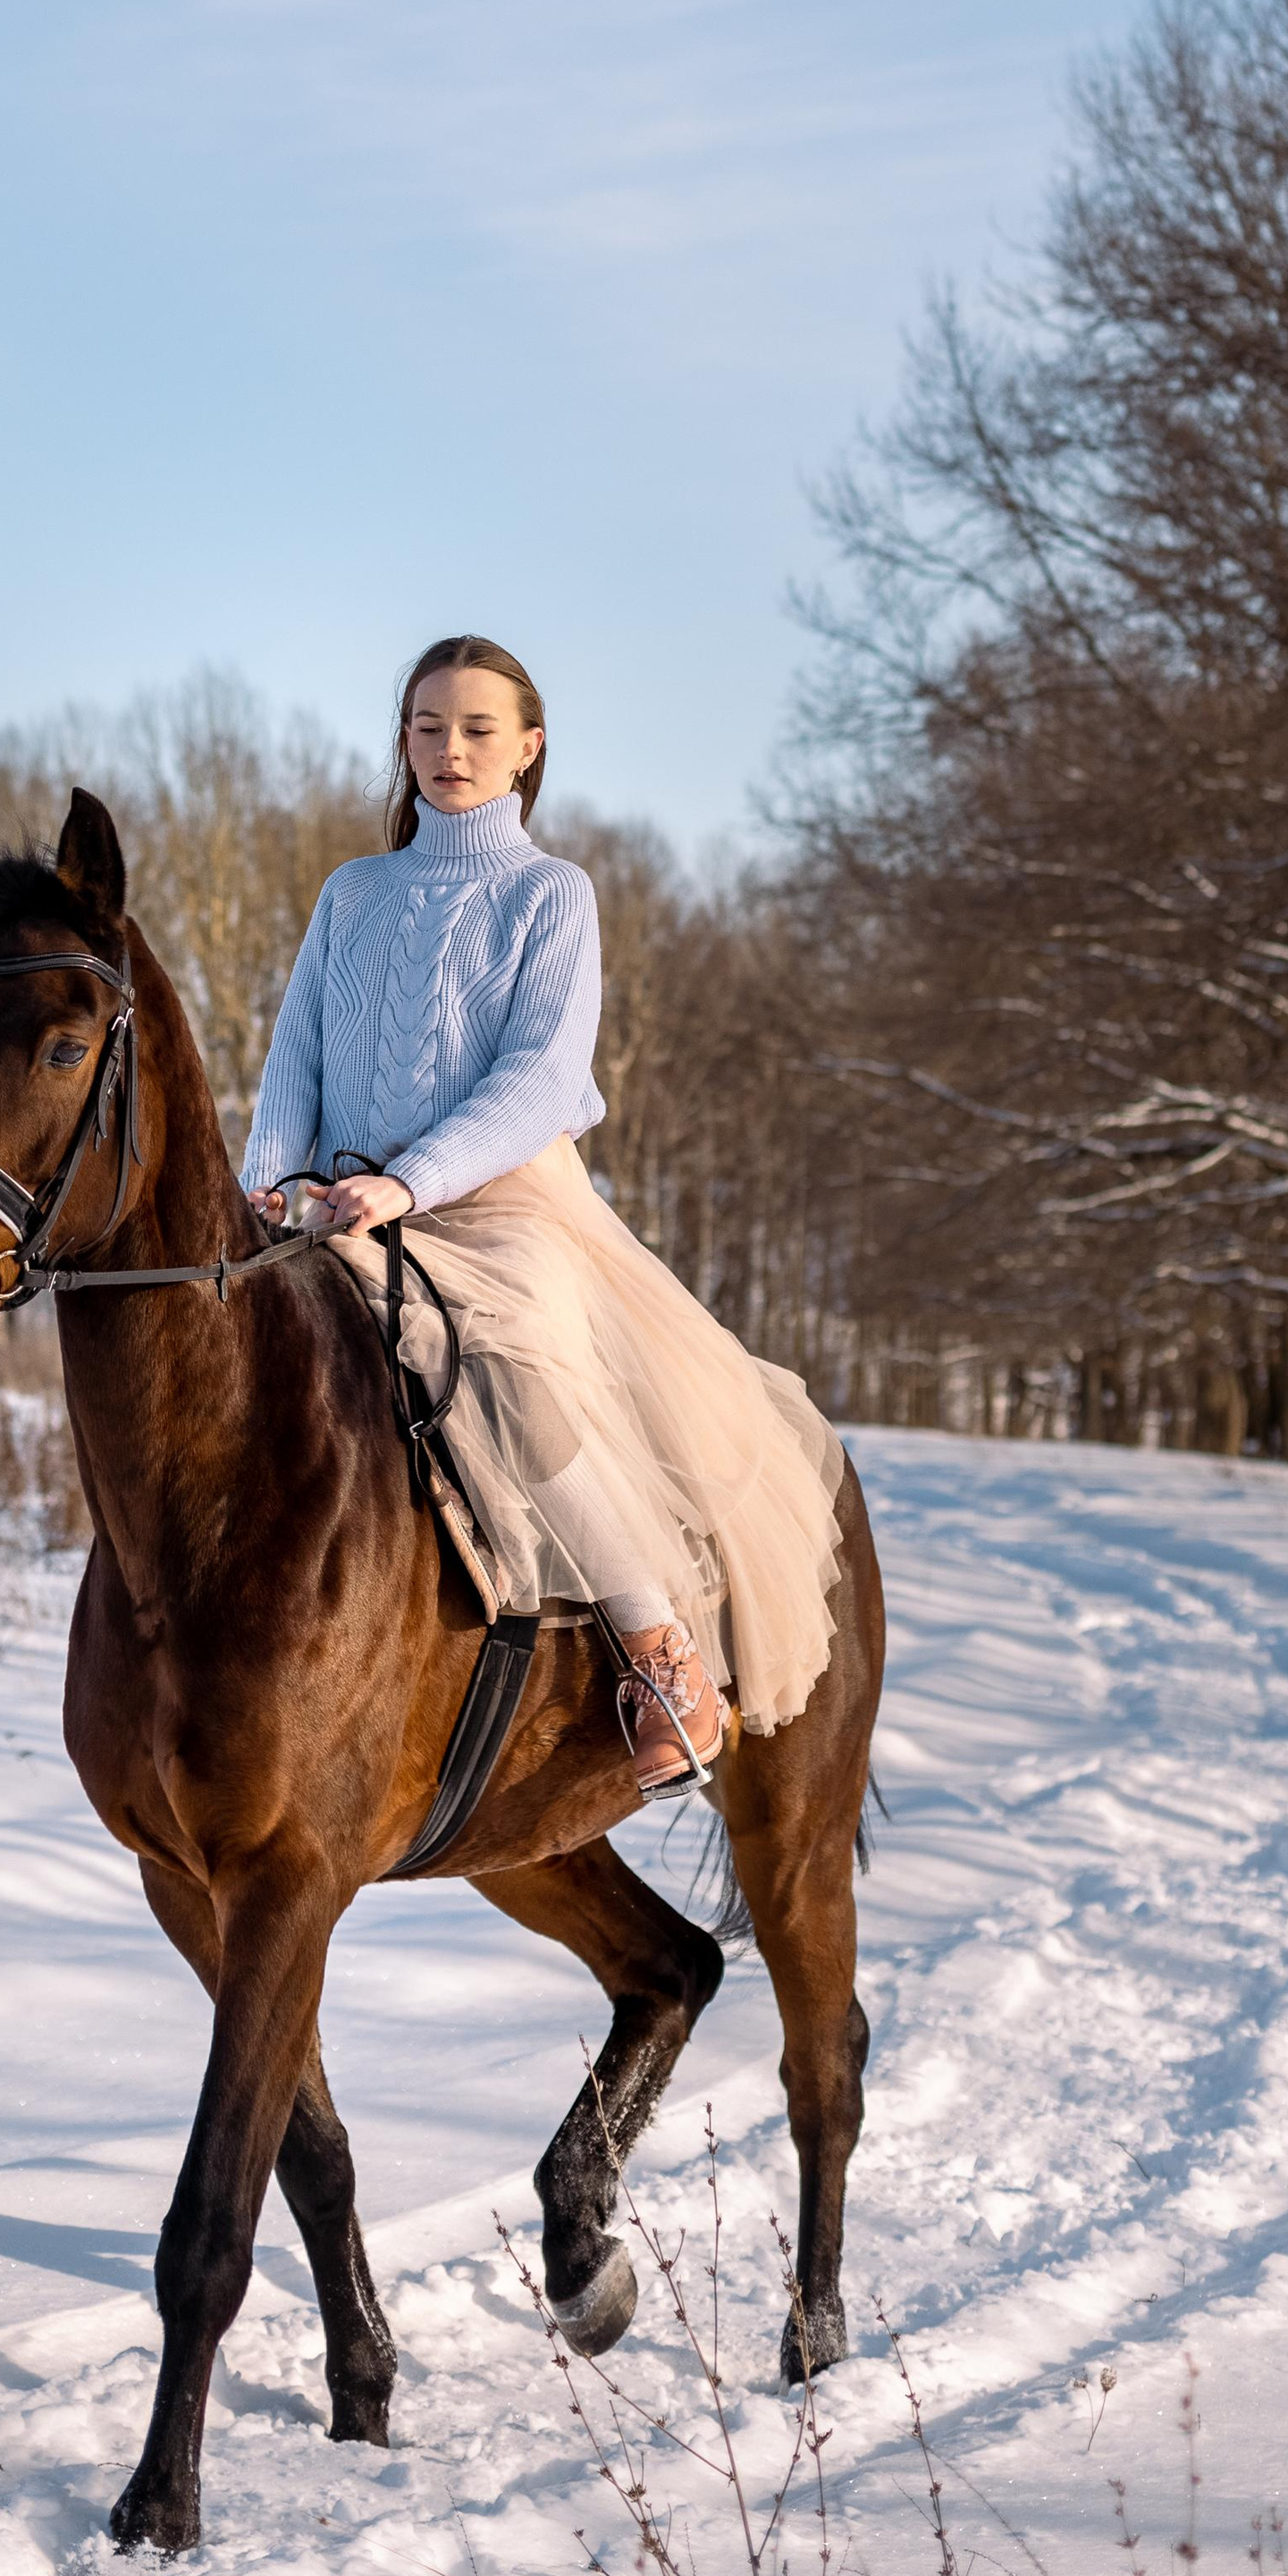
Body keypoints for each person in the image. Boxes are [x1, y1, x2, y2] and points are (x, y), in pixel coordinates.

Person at [243, 635, 847, 1799]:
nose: (450, 749)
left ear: (528, 748)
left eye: (478, 728)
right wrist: (271, 1186)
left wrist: (410, 1181)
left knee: (497, 1360)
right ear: (404, 742)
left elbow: (536, 1078)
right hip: (346, 1204)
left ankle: (657, 1646)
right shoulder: (353, 893)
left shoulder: (549, 895)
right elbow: (297, 1058)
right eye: (428, 727)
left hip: (508, 1204)